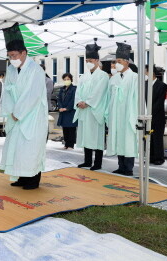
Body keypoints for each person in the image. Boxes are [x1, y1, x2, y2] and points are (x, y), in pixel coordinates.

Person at [0, 23, 48, 190]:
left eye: (14, 55)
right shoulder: (11, 69)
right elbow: (7, 91)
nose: (12, 59)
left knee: (31, 148)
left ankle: (33, 180)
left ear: (24, 53)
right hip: (15, 115)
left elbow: (32, 95)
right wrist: (10, 111)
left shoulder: (35, 70)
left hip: (32, 116)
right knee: (17, 148)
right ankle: (21, 176)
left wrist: (18, 112)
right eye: (9, 56)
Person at [74, 43, 109, 171]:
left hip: (95, 111)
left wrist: (87, 102)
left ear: (97, 61)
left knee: (97, 137)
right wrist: (79, 102)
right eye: (86, 60)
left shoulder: (103, 76)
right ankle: (87, 161)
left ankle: (97, 163)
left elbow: (99, 92)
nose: (88, 62)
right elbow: (78, 91)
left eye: (90, 60)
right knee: (86, 136)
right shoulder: (84, 76)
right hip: (84, 111)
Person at [106, 43, 138, 176]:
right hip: (116, 115)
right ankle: (121, 165)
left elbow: (138, 98)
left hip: (128, 114)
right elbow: (108, 98)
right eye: (115, 61)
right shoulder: (114, 79)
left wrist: (137, 116)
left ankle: (128, 167)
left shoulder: (134, 78)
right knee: (119, 139)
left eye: (119, 61)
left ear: (126, 62)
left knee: (128, 140)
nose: (116, 64)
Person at [145, 65, 167, 165]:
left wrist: (148, 112)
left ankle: (159, 158)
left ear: (151, 73)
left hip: (157, 116)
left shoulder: (162, 85)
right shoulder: (144, 85)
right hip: (146, 116)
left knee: (157, 137)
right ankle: (150, 156)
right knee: (148, 137)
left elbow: (159, 102)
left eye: (145, 72)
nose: (144, 74)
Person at [57, 73, 77, 149]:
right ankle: (66, 144)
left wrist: (67, 108)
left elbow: (73, 100)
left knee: (71, 128)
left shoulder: (74, 89)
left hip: (70, 111)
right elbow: (59, 99)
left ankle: (71, 144)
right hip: (63, 111)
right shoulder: (62, 89)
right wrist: (61, 107)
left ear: (71, 80)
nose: (66, 81)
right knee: (65, 128)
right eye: (65, 79)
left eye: (68, 79)